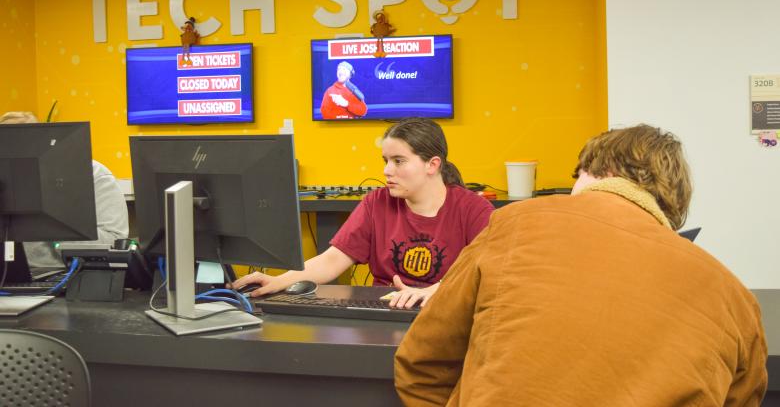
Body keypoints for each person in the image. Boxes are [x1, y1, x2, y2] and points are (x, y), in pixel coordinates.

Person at [395, 124, 768, 406]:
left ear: (597, 173)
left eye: (577, 174)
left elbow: (422, 364)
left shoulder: (516, 222)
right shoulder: (734, 297)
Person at [232, 117, 495, 308]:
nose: (387, 171)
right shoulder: (376, 203)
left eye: (399, 161)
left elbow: (485, 271)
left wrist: (434, 292)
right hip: (385, 309)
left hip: (446, 311)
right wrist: (278, 282)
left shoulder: (473, 210)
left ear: (432, 165)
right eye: (386, 161)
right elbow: (332, 260)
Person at [0, 111, 129, 268]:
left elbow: (114, 242)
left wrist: (54, 217)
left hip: (72, 277)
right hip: (14, 279)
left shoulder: (94, 175)